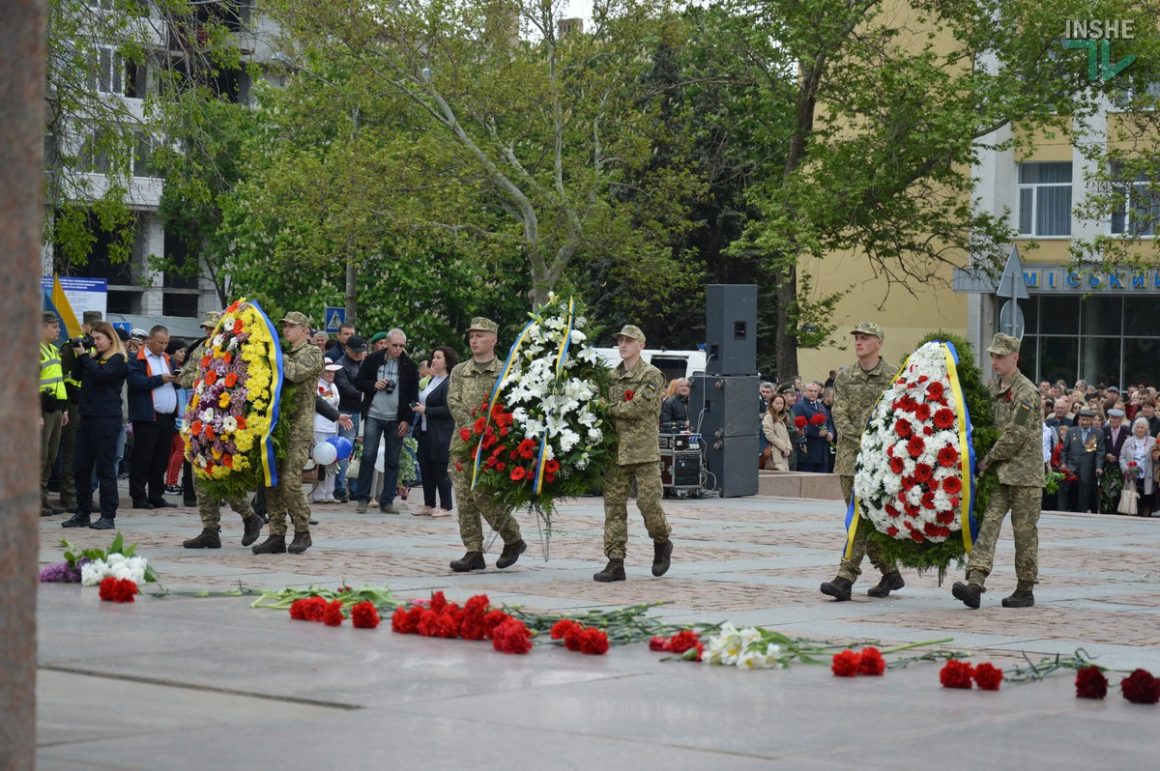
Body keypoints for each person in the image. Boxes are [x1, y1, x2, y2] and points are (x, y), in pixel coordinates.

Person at [952, 333, 1044, 609]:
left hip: (1025, 475)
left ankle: (1025, 588)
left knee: (1024, 533)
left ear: (1015, 358)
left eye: (1001, 356)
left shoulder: (1026, 391)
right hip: (1000, 474)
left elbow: (1016, 433)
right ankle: (975, 583)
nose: (995, 361)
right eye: (993, 356)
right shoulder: (994, 389)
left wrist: (988, 459)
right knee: (988, 526)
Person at [820, 321, 902, 601]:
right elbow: (839, 416)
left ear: (879, 342)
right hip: (849, 458)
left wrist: (876, 440)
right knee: (862, 518)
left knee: (860, 517)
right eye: (856, 337)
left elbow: (896, 418)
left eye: (865, 338)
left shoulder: (894, 376)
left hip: (880, 461)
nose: (859, 342)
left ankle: (846, 577)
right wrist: (864, 436)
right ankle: (889, 571)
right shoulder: (844, 376)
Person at [178, 312, 265, 549]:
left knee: (221, 473)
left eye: (213, 328)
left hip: (228, 421)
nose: (209, 333)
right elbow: (184, 377)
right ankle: (209, 528)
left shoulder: (239, 350)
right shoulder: (202, 350)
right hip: (201, 417)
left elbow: (250, 383)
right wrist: (204, 377)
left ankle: (249, 516)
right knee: (199, 473)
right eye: (207, 329)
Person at [594, 324, 674, 582]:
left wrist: (607, 408)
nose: (623, 345)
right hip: (616, 452)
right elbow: (598, 404)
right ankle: (615, 561)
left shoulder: (652, 375)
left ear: (642, 345)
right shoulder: (610, 377)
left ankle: (662, 541)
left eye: (629, 341)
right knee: (614, 509)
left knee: (648, 505)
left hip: (643, 452)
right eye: (620, 341)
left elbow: (638, 407)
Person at [447, 317, 526, 571]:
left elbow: (511, 405)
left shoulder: (506, 370)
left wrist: (491, 432)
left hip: (493, 447)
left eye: (480, 335)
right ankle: (473, 550)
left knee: (483, 495)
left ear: (493, 339)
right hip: (463, 443)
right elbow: (454, 401)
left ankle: (513, 538)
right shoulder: (460, 370)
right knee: (464, 499)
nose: (474, 340)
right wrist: (470, 428)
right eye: (471, 335)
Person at [251, 311, 323, 555]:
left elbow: (295, 373)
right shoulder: (285, 353)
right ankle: (276, 534)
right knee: (272, 480)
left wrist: (276, 356)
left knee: (291, 480)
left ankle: (302, 530)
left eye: (292, 326)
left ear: (305, 330)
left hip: (299, 428)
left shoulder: (312, 353)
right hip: (277, 425)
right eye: (284, 326)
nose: (286, 329)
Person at [61, 322, 129, 530]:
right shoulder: (94, 357)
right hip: (87, 417)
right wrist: (79, 352)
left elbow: (101, 377)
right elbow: (79, 375)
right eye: (94, 338)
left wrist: (84, 356)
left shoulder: (119, 359)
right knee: (80, 466)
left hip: (106, 419)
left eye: (99, 338)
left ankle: (108, 515)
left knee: (105, 467)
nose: (96, 342)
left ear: (111, 339)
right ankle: (83, 513)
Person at [354, 327, 419, 514]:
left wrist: (407, 420)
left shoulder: (409, 365)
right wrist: (373, 385)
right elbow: (359, 382)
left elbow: (414, 398)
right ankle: (363, 499)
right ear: (387, 344)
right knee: (368, 456)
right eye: (395, 345)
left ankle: (387, 500)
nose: (398, 349)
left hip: (396, 419)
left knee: (392, 460)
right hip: (374, 414)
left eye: (402, 346)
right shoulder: (373, 360)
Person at [126, 325, 179, 509]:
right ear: (149, 340)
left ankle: (156, 495)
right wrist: (159, 379)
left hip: (167, 417)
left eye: (166, 343)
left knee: (161, 458)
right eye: (160, 342)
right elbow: (135, 382)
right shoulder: (137, 359)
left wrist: (177, 379)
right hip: (148, 417)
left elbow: (171, 382)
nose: (164, 346)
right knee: (143, 458)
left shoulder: (167, 358)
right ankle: (139, 497)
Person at [55, 309, 102, 513]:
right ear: (84, 327)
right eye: (93, 327)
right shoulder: (71, 347)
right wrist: (65, 404)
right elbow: (60, 375)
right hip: (73, 404)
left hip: (91, 405)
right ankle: (70, 496)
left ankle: (85, 496)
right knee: (72, 451)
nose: (96, 332)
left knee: (89, 453)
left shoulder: (99, 348)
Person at [412, 347, 457, 517]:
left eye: (439, 357)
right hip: (424, 431)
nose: (434, 360)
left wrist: (427, 410)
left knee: (439, 469)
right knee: (425, 468)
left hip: (440, 433)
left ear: (447, 361)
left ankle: (446, 506)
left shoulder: (449, 382)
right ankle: (429, 504)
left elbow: (449, 410)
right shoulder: (432, 380)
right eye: (433, 357)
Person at [39, 312, 69, 517]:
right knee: (39, 458)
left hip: (56, 409)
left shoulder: (53, 350)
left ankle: (43, 500)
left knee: (50, 457)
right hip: (42, 411)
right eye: (54, 327)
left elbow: (59, 381)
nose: (58, 331)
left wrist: (64, 409)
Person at [332, 334, 368, 502]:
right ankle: (339, 487)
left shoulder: (364, 363)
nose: (359, 354)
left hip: (363, 411)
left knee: (359, 451)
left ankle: (355, 488)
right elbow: (345, 388)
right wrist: (367, 394)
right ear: (347, 349)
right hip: (347, 410)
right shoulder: (340, 365)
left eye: (361, 351)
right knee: (345, 449)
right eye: (356, 352)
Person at [310, 360, 343, 504]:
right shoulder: (316, 385)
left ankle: (329, 493)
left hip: (332, 428)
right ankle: (318, 494)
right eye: (328, 371)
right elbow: (322, 402)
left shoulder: (334, 386)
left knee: (333, 460)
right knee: (321, 460)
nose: (330, 374)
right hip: (319, 427)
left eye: (333, 372)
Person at [1065, 408, 1104, 513]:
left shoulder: (1097, 433)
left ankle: (1081, 514)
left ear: (1091, 421)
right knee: (1071, 493)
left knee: (1084, 494)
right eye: (1083, 419)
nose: (1085, 422)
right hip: (1071, 468)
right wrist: (1064, 465)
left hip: (1087, 468)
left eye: (1087, 420)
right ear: (1079, 420)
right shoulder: (1071, 431)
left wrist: (1099, 467)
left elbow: (1099, 453)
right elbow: (1064, 450)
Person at [791, 381, 834, 472]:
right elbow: (799, 426)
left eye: (815, 391)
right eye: (810, 390)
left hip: (823, 452)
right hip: (809, 452)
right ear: (804, 392)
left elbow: (829, 423)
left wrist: (830, 433)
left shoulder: (821, 406)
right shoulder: (799, 406)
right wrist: (817, 433)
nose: (813, 393)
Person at [1119, 417, 1156, 518]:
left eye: (1142, 427)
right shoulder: (1128, 441)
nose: (1140, 429)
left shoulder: (1152, 441)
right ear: (1134, 428)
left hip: (1148, 474)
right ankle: (1134, 516)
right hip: (1132, 474)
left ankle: (1146, 516)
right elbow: (1122, 457)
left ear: (1146, 429)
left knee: (1147, 497)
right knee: (1133, 497)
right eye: (1138, 427)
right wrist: (1126, 469)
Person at [761, 393, 793, 471]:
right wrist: (783, 447)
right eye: (777, 403)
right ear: (772, 404)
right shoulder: (768, 416)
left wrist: (788, 448)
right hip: (774, 453)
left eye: (781, 403)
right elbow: (769, 435)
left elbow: (786, 436)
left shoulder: (781, 418)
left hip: (783, 454)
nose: (779, 405)